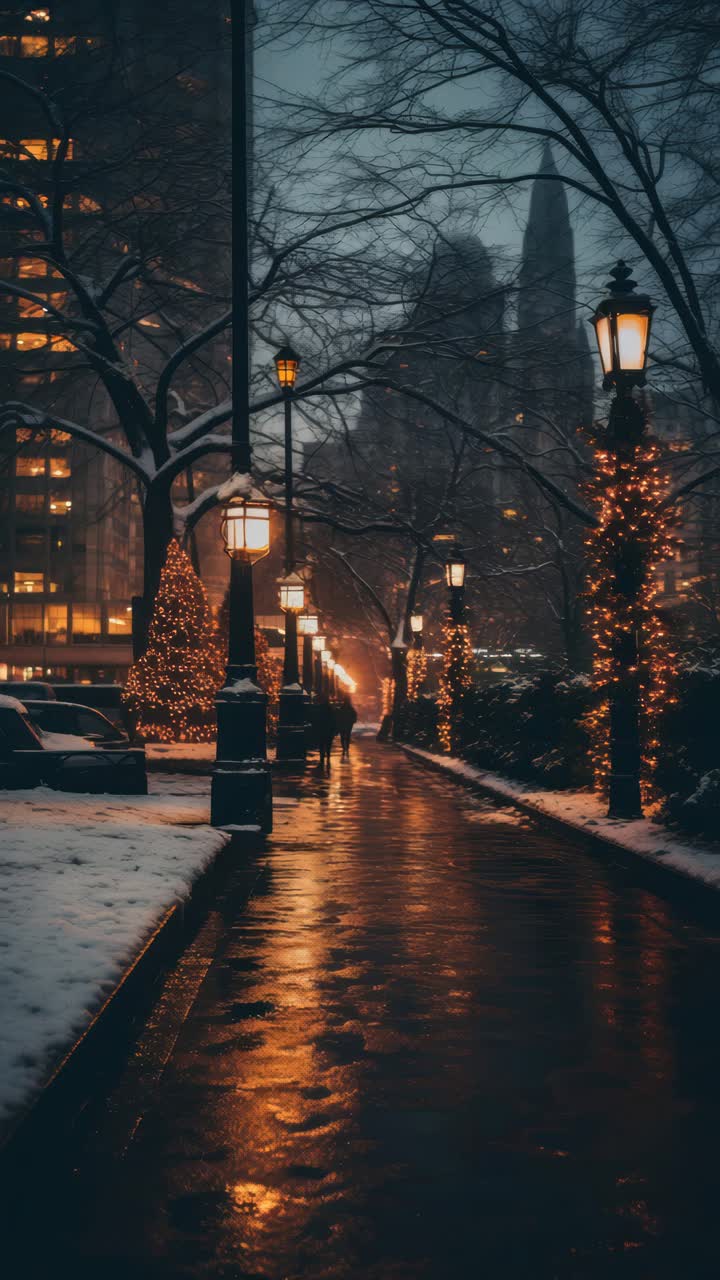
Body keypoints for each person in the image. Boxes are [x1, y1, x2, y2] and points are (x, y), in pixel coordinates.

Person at [312, 696, 337, 770]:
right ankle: (328, 756)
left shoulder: (320, 709)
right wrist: (334, 729)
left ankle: (322, 757)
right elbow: (333, 720)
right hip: (329, 730)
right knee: (328, 744)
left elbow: (316, 719)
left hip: (321, 729)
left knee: (321, 744)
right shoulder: (331, 709)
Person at [335, 695, 358, 759]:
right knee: (347, 735)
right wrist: (353, 721)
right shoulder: (350, 708)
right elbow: (354, 715)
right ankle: (346, 748)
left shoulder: (342, 708)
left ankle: (344, 748)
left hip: (343, 724)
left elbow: (338, 715)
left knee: (343, 736)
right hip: (348, 724)